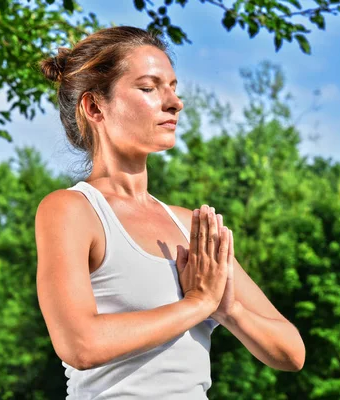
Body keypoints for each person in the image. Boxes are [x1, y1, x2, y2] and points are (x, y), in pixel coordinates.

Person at [34, 26, 305, 399]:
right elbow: (80, 345)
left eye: (173, 88)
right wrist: (198, 304)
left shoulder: (192, 225)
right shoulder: (71, 211)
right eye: (149, 88)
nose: (174, 102)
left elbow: (291, 352)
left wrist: (228, 310)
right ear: (95, 106)